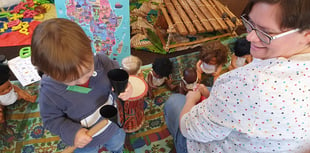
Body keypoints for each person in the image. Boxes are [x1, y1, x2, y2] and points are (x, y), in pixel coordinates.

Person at [164, 0, 310, 152]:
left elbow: (190, 128)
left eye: (266, 32)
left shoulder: (251, 84)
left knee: (174, 101)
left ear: (306, 36)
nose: (250, 37)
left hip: (214, 143)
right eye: (250, 23)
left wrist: (190, 100)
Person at [31, 18, 132, 153]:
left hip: (112, 126)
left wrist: (126, 86)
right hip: (86, 142)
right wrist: (74, 133)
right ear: (50, 74)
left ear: (90, 49)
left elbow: (117, 74)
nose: (84, 78)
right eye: (73, 80)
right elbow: (52, 120)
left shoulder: (101, 62)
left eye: (88, 70)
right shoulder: (49, 92)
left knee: (117, 145)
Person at [0, 59, 37, 124]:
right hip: (3, 102)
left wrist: (25, 95)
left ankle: (30, 98)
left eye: (9, 86)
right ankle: (2, 118)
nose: (7, 90)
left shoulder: (11, 87)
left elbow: (18, 90)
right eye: (2, 91)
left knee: (23, 94)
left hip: (14, 97)